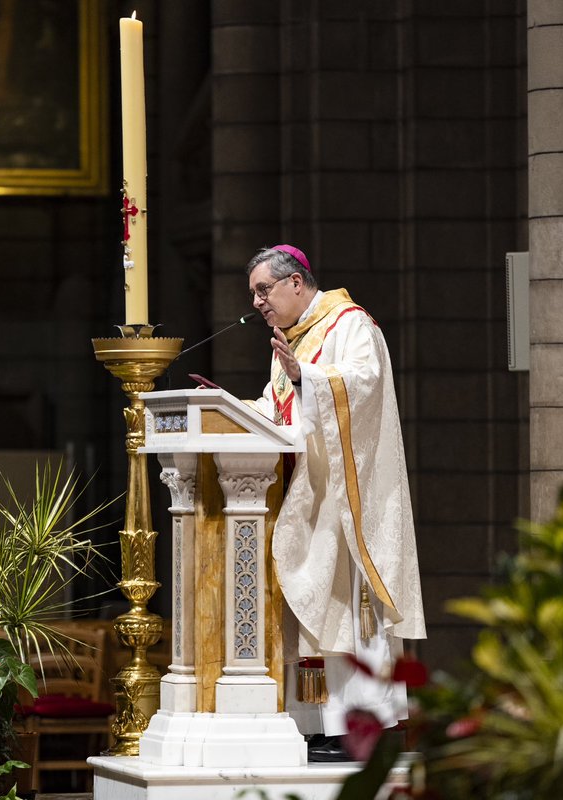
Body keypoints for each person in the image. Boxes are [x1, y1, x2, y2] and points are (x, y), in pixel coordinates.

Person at [245, 244, 426, 761]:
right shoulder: (290, 341)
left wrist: (307, 377)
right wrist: (237, 409)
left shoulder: (350, 324)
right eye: (253, 294)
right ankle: (320, 724)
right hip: (307, 497)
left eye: (263, 290)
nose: (257, 302)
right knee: (314, 609)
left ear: (295, 282)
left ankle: (363, 727)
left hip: (349, 497)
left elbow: (365, 385)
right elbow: (278, 409)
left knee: (350, 610)